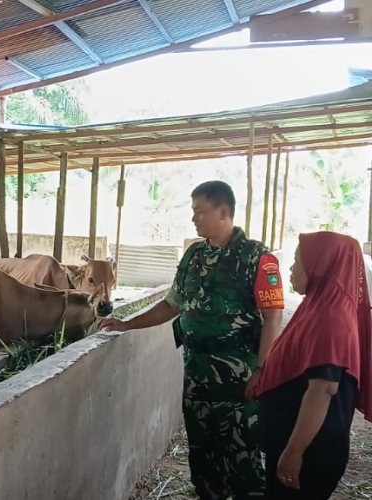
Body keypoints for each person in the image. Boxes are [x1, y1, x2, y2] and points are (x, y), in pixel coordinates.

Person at [99, 180, 284, 500]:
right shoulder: (194, 255)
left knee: (243, 456)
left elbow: (273, 317)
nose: (194, 218)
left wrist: (261, 371)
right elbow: (172, 305)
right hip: (197, 371)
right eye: (194, 211)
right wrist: (126, 325)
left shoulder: (257, 257)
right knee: (202, 454)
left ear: (223, 212)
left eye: (200, 211)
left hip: (239, 375)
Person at [251, 232, 372, 499]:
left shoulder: (330, 317)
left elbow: (323, 390)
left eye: (298, 260)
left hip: (309, 454)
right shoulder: (318, 306)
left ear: (321, 264)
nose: (292, 268)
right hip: (297, 443)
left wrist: (293, 452)